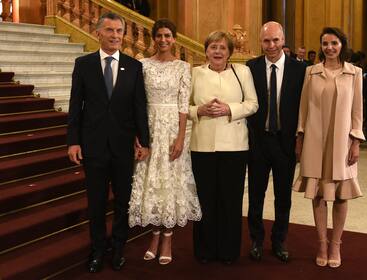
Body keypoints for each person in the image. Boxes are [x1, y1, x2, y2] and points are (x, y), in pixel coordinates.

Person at [67, 12, 150, 273]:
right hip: (92, 147)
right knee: (97, 202)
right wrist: (73, 141)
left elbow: (139, 107)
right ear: (98, 33)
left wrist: (144, 141)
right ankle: (97, 250)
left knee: (123, 202)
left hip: (124, 147)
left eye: (119, 31)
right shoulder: (83, 64)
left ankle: (118, 248)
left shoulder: (134, 66)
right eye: (110, 31)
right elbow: (75, 107)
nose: (115, 36)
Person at [128, 19, 202, 265]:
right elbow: (137, 102)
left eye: (167, 35)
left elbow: (183, 105)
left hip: (172, 128)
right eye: (158, 35)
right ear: (152, 38)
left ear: (174, 38)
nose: (163, 40)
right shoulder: (142, 65)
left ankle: (167, 238)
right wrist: (138, 134)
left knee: (169, 182)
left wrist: (181, 137)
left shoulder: (182, 67)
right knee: (152, 181)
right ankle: (154, 237)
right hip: (149, 127)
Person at [293, 27, 365, 268]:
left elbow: (357, 112)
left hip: (342, 142)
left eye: (334, 43)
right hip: (315, 140)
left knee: (342, 195)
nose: (329, 48)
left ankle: (336, 244)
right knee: (319, 195)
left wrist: (356, 142)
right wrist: (300, 138)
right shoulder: (310, 72)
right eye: (325, 43)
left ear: (342, 45)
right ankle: (322, 243)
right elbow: (303, 108)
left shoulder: (355, 73)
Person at [189, 31, 258, 264]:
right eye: (213, 47)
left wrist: (229, 109)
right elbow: (183, 107)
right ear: (206, 51)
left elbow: (253, 103)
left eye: (222, 48)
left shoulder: (243, 72)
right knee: (205, 200)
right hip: (202, 146)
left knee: (230, 200)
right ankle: (205, 251)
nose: (217, 52)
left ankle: (229, 252)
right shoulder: (195, 73)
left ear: (229, 52)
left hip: (235, 146)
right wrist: (199, 110)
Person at [246, 21, 306, 262]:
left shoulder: (300, 70)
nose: (271, 45)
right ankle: (256, 240)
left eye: (275, 40)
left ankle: (279, 241)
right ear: (260, 42)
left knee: (283, 197)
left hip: (285, 143)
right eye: (266, 41)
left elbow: (305, 109)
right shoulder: (250, 67)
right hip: (258, 143)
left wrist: (301, 139)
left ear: (283, 40)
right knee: (255, 196)